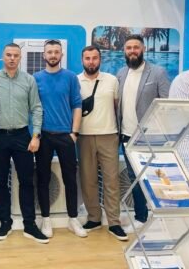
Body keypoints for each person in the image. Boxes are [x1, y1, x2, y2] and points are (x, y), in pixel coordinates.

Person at [0, 43, 48, 243]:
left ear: (20, 58)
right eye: (9, 55)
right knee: (0, 181)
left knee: (26, 181)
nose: (12, 58)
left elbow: (37, 108)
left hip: (23, 136)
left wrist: (36, 135)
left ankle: (29, 225)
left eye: (16, 55)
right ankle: (5, 222)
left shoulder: (28, 80)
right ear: (3, 56)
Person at [117, 34, 170, 233]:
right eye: (129, 48)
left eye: (136, 47)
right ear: (124, 51)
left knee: (155, 177)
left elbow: (166, 105)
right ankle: (141, 217)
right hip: (126, 136)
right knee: (134, 178)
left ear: (143, 49)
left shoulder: (158, 72)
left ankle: (163, 217)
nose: (132, 51)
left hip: (150, 138)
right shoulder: (121, 73)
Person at [33, 39, 87, 238]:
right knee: (43, 179)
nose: (53, 55)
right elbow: (34, 108)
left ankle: (73, 219)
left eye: (56, 52)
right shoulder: (36, 78)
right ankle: (46, 219)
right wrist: (35, 134)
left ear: (61, 54)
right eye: (49, 52)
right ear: (44, 55)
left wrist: (74, 133)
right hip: (44, 136)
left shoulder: (71, 77)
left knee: (70, 179)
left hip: (66, 136)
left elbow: (77, 105)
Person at [77, 46, 128, 241]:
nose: (91, 61)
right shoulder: (75, 81)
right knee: (88, 180)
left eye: (94, 58)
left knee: (111, 181)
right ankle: (94, 218)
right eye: (87, 58)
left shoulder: (112, 80)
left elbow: (117, 108)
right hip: (84, 136)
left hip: (109, 135)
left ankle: (114, 222)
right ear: (82, 60)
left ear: (100, 59)